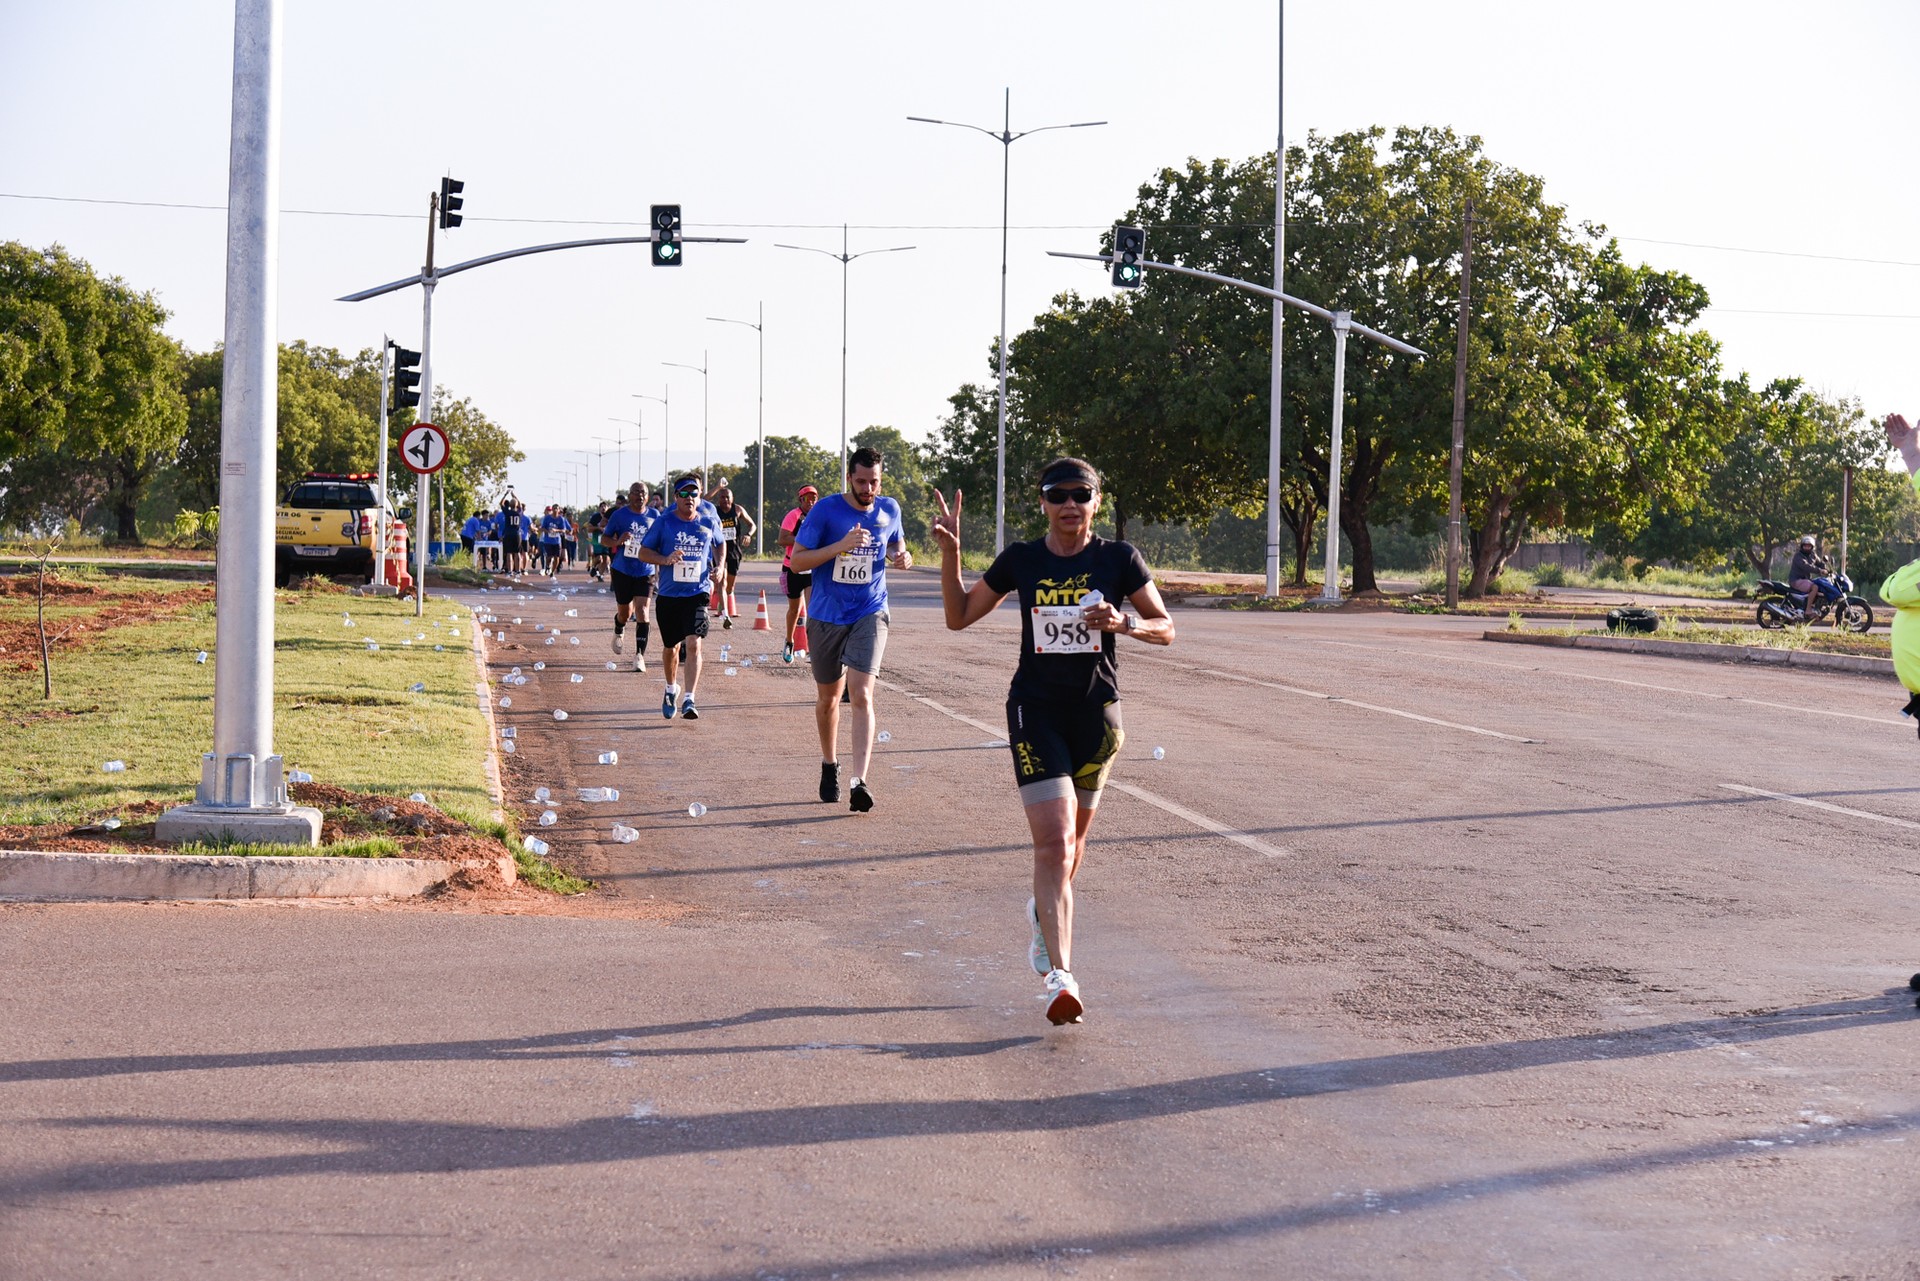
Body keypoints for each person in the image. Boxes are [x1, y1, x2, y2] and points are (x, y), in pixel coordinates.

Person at [932, 458, 1174, 1027]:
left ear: (1095, 500)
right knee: (1055, 843)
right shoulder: (1023, 559)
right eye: (1057, 494)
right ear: (1042, 502)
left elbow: (1166, 627)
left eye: (1080, 494)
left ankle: (1043, 918)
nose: (1069, 504)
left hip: (1097, 719)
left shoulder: (1119, 559)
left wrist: (1124, 624)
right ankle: (1060, 976)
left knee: (1073, 849)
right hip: (1035, 711)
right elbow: (958, 617)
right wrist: (950, 556)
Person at [789, 447, 911, 811]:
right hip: (827, 614)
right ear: (849, 478)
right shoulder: (826, 510)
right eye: (861, 481)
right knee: (829, 698)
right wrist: (840, 546)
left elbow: (894, 544)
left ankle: (860, 781)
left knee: (861, 693)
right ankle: (830, 765)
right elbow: (797, 561)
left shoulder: (889, 508)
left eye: (874, 482)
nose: (868, 489)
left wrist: (901, 556)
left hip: (870, 610)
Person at [627, 473, 726, 720]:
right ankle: (671, 689)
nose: (689, 498)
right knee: (671, 647)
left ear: (699, 496)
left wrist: (720, 565)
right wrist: (665, 559)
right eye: (684, 493)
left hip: (698, 592)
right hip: (670, 595)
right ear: (676, 497)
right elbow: (643, 553)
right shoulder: (664, 522)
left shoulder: (707, 522)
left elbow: (720, 543)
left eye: (694, 493)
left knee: (694, 643)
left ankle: (690, 699)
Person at [601, 483, 658, 674]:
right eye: (636, 493)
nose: (639, 496)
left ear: (647, 497)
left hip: (645, 570)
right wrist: (618, 542)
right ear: (629, 495)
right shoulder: (619, 515)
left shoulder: (655, 516)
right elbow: (604, 539)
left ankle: (639, 656)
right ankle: (619, 627)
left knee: (642, 610)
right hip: (623, 569)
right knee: (625, 613)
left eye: (643, 493)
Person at [778, 485, 819, 664]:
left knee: (813, 609)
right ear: (800, 500)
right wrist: (802, 539)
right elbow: (782, 539)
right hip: (792, 567)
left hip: (812, 568)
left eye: (813, 498)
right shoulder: (793, 516)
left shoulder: (819, 516)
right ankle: (789, 641)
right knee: (794, 610)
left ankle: (813, 648)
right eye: (807, 498)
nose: (811, 501)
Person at [710, 483, 757, 629]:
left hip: (734, 551)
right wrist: (717, 487)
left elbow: (752, 525)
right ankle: (726, 615)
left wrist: (748, 535)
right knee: (722, 583)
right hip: (718, 551)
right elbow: (704, 500)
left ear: (732, 498)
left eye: (727, 497)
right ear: (718, 499)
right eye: (722, 497)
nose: (725, 500)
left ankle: (722, 602)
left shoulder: (738, 510)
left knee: (729, 587)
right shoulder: (714, 512)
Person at [539, 505, 566, 576]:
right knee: (549, 557)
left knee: (557, 558)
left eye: (556, 509)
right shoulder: (547, 518)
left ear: (559, 510)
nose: (555, 510)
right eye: (554, 509)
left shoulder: (561, 519)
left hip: (557, 541)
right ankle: (547, 567)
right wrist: (548, 531)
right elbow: (542, 528)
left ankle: (552, 572)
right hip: (548, 541)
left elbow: (563, 530)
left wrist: (556, 530)